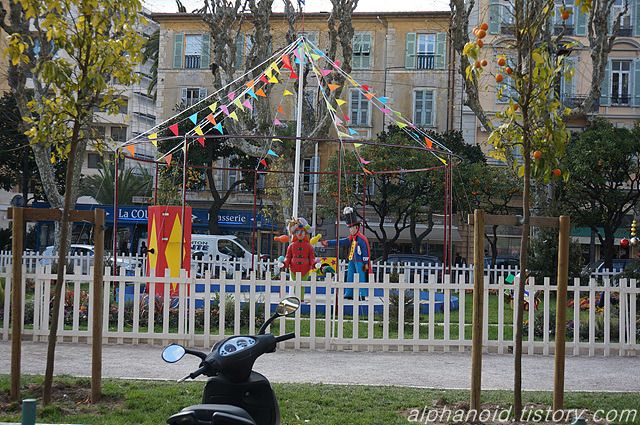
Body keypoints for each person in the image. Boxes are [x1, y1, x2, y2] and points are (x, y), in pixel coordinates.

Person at [321, 206, 371, 299]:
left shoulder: (361, 239)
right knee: (350, 276)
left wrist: (365, 263)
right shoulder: (351, 238)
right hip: (352, 260)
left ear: (356, 227)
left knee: (361, 277)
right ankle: (349, 293)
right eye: (349, 228)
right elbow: (341, 242)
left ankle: (362, 294)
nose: (350, 230)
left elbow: (365, 252)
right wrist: (329, 243)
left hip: (360, 261)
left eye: (351, 228)